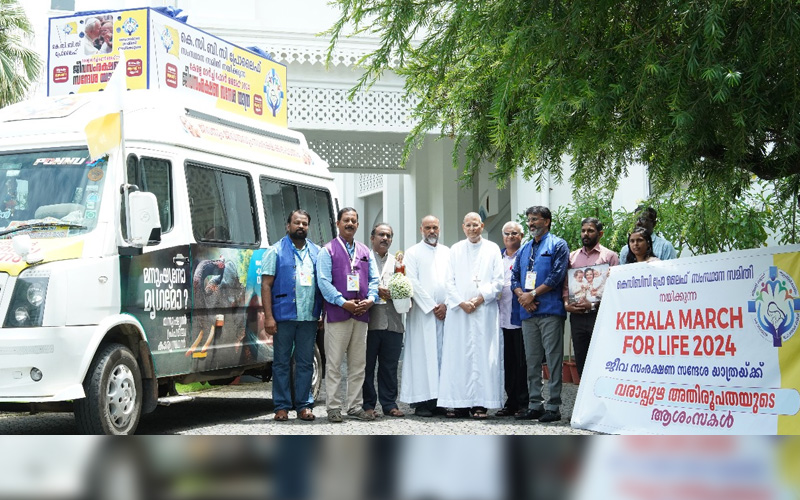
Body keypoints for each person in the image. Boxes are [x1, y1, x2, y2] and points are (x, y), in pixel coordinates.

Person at [316, 207, 380, 422]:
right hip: (338, 314)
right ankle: (333, 407)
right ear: (338, 223)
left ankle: (354, 406)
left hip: (361, 314)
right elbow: (323, 282)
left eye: (353, 221)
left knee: (358, 364)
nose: (350, 224)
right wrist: (343, 303)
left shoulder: (365, 251)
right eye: (346, 220)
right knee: (334, 364)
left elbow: (374, 280)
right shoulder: (327, 251)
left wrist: (371, 299)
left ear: (358, 225)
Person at [438, 212, 504, 419]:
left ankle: (481, 404)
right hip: (460, 313)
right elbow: (448, 281)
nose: (472, 229)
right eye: (468, 225)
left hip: (484, 311)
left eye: (476, 225)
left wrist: (479, 299)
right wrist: (461, 302)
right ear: (463, 227)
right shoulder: (455, 249)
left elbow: (499, 280)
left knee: (484, 356)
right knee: (459, 356)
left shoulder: (492, 249)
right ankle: (459, 403)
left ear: (482, 226)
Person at [260, 209, 323, 422]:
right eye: (297, 223)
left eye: (304, 223)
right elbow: (266, 285)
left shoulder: (317, 252)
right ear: (288, 226)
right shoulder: (275, 251)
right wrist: (269, 317)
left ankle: (304, 405)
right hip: (283, 317)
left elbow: (322, 284)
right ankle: (281, 406)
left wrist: (321, 312)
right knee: (281, 363)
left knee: (305, 363)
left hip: (309, 317)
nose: (301, 226)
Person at [511, 206, 569, 423]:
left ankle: (553, 406)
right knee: (532, 360)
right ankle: (535, 404)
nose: (531, 223)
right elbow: (514, 278)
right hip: (528, 313)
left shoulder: (558, 245)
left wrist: (533, 294)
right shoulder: (524, 249)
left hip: (550, 311)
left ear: (547, 221)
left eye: (535, 219)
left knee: (553, 360)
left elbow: (557, 276)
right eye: (529, 220)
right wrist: (523, 296)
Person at [399, 215, 450, 417]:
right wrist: (432, 306)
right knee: (422, 357)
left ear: (440, 228)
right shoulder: (412, 253)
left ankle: (439, 400)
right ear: (421, 229)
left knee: (441, 356)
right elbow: (412, 282)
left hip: (445, 314)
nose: (432, 231)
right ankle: (422, 402)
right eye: (428, 227)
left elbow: (452, 280)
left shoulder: (447, 252)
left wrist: (446, 304)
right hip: (423, 314)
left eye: (435, 227)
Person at [562, 217, 619, 377]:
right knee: (581, 358)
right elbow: (566, 285)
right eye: (583, 231)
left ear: (600, 234)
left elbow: (614, 289)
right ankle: (583, 392)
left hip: (600, 316)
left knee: (602, 357)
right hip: (577, 316)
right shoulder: (572, 257)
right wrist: (566, 304)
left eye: (590, 231)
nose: (585, 234)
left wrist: (593, 305)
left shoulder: (610, 257)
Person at [362, 223, 405, 418]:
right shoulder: (363, 259)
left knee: (389, 366)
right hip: (369, 322)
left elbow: (407, 289)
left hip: (393, 322)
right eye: (381, 235)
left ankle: (389, 404)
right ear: (372, 238)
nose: (385, 238)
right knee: (367, 366)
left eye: (388, 236)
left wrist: (395, 292)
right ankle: (367, 404)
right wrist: (374, 290)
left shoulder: (399, 263)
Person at [495, 221, 529, 417]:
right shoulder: (497, 256)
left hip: (519, 315)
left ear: (521, 236)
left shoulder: (526, 255)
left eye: (514, 233)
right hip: (500, 317)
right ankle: (510, 401)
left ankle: (524, 402)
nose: (510, 237)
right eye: (507, 234)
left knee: (521, 362)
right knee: (507, 362)